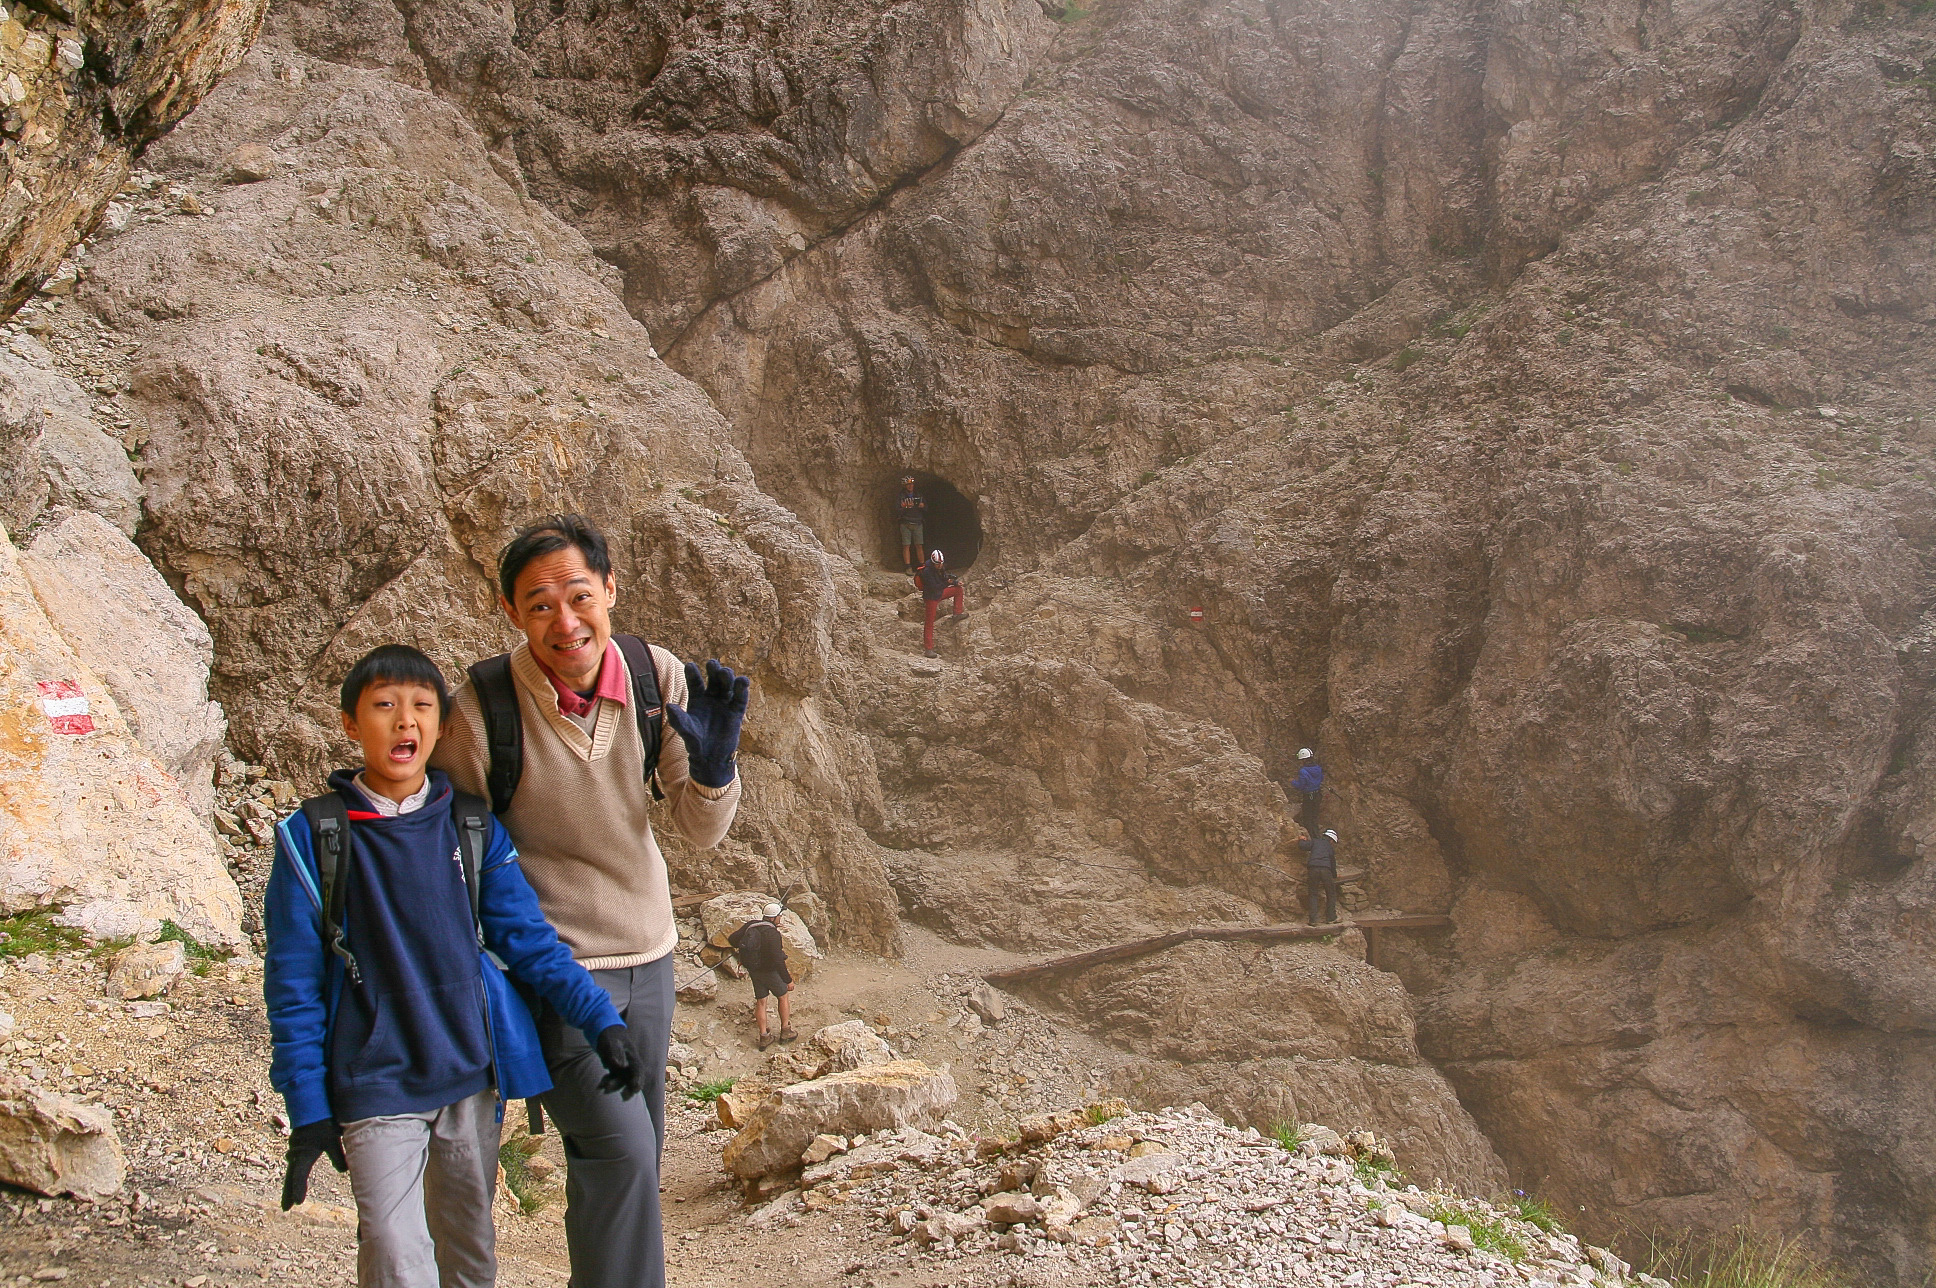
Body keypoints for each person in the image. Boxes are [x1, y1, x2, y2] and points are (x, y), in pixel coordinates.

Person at [429, 515, 747, 1288]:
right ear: (511, 613)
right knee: (622, 1154)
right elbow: (447, 857)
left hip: (650, 954)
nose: (563, 620)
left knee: (626, 1164)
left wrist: (715, 768)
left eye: (578, 595)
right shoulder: (481, 711)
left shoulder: (653, 676)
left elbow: (700, 831)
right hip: (557, 972)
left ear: (610, 588)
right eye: (538, 604)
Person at [265, 645, 644, 1288]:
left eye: (421, 708)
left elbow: (529, 942)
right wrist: (307, 1107)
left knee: (470, 1250)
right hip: (375, 1079)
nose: (404, 722)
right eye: (383, 707)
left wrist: (601, 1021)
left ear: (442, 727)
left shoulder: (471, 828)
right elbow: (294, 987)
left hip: (471, 1073)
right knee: (394, 1248)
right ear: (351, 724)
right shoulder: (313, 838)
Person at [727, 903, 795, 1050]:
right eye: (779, 916)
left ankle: (764, 1036)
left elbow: (732, 939)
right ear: (773, 918)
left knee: (761, 1002)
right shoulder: (773, 934)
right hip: (770, 972)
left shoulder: (752, 925)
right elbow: (778, 960)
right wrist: (787, 980)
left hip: (754, 971)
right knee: (782, 996)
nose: (780, 918)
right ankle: (785, 1030)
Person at [913, 548, 965, 657]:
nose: (940, 566)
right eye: (938, 564)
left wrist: (954, 582)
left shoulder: (939, 568)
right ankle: (928, 649)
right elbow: (935, 587)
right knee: (929, 623)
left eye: (941, 564)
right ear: (933, 563)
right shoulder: (927, 572)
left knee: (958, 590)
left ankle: (957, 613)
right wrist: (947, 583)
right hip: (931, 597)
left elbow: (943, 578)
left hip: (939, 593)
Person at [1298, 827, 1341, 925]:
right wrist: (1334, 875)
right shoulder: (1329, 847)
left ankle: (1313, 920)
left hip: (1313, 869)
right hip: (1326, 870)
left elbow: (1302, 846)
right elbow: (1332, 862)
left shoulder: (1315, 842)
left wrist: (1301, 839)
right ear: (1331, 840)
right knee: (1331, 893)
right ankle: (1331, 918)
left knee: (1313, 894)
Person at [896, 475, 926, 572]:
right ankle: (908, 567)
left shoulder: (919, 495)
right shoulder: (901, 496)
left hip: (917, 522)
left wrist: (922, 506)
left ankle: (922, 567)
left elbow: (926, 508)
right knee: (906, 545)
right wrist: (904, 507)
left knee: (919, 545)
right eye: (908, 484)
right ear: (905, 485)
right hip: (905, 523)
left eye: (911, 484)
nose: (910, 486)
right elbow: (897, 510)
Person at [1293, 747, 1324, 832]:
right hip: (1318, 795)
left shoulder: (1303, 771)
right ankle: (1316, 833)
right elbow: (1321, 778)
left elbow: (1301, 786)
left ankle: (1311, 835)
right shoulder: (1318, 768)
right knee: (1314, 816)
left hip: (1309, 796)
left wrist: (1293, 782)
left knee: (1308, 817)